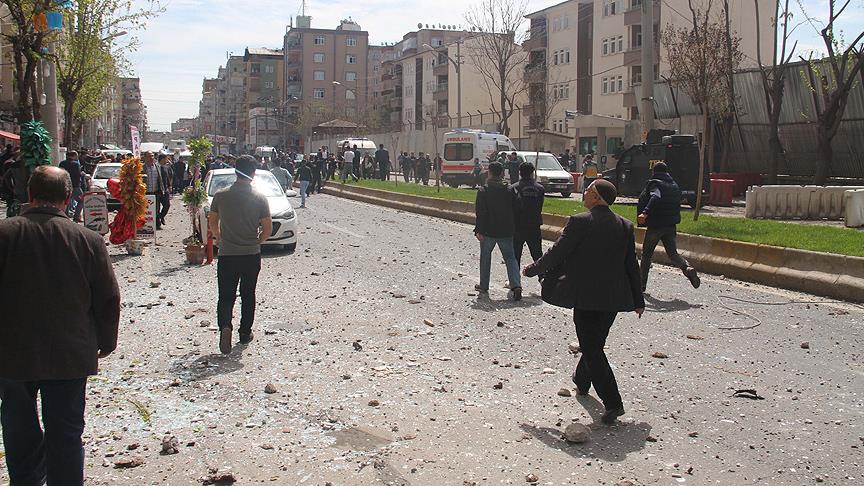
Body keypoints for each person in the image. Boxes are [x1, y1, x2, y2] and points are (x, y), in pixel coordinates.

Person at [0, 166, 120, 486]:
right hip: (71, 353)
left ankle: (25, 479)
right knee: (66, 431)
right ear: (69, 198)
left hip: (13, 355)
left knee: (17, 426)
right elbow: (107, 297)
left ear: (29, 195)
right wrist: (106, 341)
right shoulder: (89, 240)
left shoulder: (5, 234)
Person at [523, 179, 645, 425]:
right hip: (612, 298)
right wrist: (637, 299)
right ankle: (581, 380)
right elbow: (631, 265)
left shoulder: (580, 222)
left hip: (587, 297)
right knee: (594, 342)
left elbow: (558, 252)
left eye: (588, 190)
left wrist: (532, 269)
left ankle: (613, 403)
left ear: (597, 197)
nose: (585, 194)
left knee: (592, 348)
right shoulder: (625, 225)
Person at [208, 156, 272, 354]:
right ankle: (245, 333)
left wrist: (219, 237)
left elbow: (212, 222)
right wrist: (258, 240)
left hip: (227, 254)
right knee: (248, 294)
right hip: (250, 254)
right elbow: (268, 228)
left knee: (226, 295)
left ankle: (225, 326)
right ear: (253, 173)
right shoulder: (260, 197)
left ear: (235, 171)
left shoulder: (221, 195)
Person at [636, 162, 700, 291]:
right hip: (670, 226)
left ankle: (641, 285)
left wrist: (645, 212)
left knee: (646, 255)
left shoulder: (655, 184)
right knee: (672, 254)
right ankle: (687, 268)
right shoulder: (674, 185)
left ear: (654, 172)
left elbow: (655, 197)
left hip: (656, 225)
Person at [474, 161, 522, 301]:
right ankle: (516, 285)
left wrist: (478, 230)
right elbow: (517, 208)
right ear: (502, 173)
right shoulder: (510, 190)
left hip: (488, 230)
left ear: (489, 172)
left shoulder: (484, 190)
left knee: (485, 257)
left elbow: (480, 212)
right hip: (506, 230)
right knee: (510, 257)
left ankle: (484, 285)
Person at [511, 161, 545, 265]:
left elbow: (511, 208)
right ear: (532, 173)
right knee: (537, 255)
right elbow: (540, 206)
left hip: (517, 226)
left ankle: (515, 279)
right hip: (534, 225)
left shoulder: (513, 188)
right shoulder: (540, 189)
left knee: (515, 255)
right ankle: (543, 278)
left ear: (520, 173)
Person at [58, 150, 84, 222]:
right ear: (74, 156)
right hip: (75, 186)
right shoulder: (75, 164)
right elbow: (78, 174)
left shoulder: (62, 163)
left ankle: (64, 217)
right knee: (82, 200)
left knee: (66, 201)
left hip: (64, 185)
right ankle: (76, 216)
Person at [142, 152, 165, 229]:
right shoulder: (142, 168)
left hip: (156, 192)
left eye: (152, 156)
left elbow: (160, 179)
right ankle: (146, 224)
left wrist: (162, 189)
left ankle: (157, 224)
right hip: (145, 192)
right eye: (149, 156)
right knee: (146, 210)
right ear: (145, 157)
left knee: (156, 208)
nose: (151, 158)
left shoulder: (157, 166)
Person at [157, 153, 173, 227]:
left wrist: (169, 186)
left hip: (165, 189)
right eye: (166, 159)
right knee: (157, 207)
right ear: (162, 159)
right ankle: (157, 223)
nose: (167, 160)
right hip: (157, 190)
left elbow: (168, 177)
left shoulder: (166, 167)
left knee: (167, 205)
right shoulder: (156, 167)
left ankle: (160, 216)